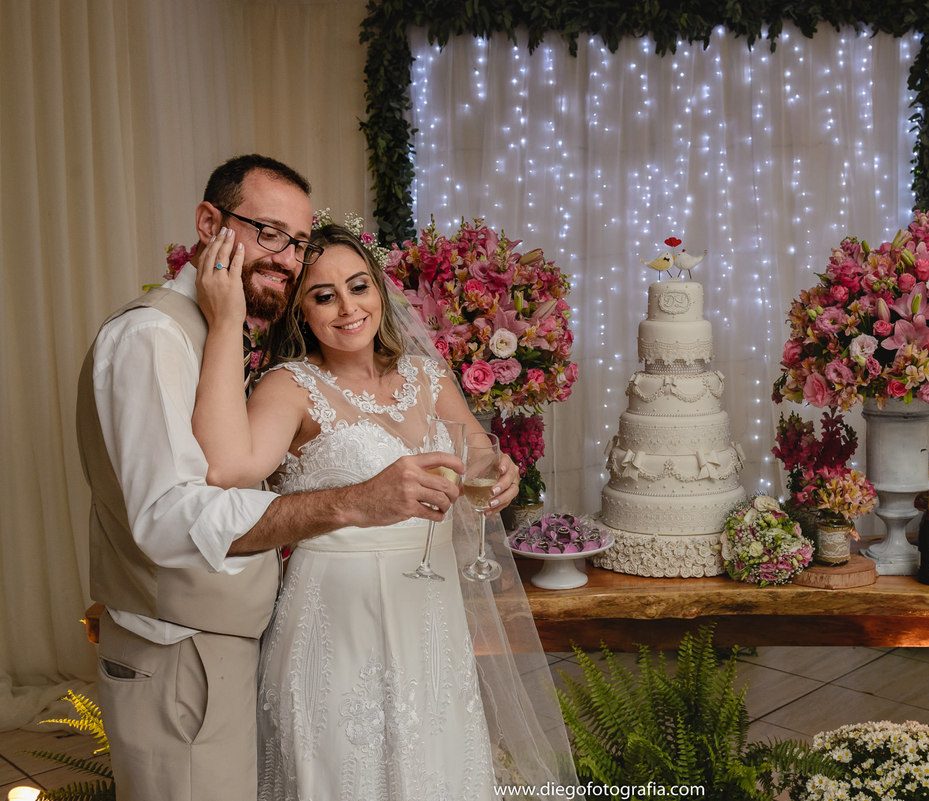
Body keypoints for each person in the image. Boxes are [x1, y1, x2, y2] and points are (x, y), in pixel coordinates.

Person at [76, 155, 465, 801]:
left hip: (221, 646)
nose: (287, 257)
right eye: (268, 232)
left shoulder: (210, 332)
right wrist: (352, 503)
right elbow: (171, 518)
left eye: (299, 241)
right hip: (179, 651)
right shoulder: (153, 337)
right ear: (209, 222)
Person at [191, 220, 577, 799]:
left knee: (436, 758)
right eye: (324, 296)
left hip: (430, 601)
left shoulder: (425, 374)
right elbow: (228, 471)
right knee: (347, 767)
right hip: (340, 612)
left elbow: (474, 449)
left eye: (358, 287)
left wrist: (500, 473)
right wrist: (224, 322)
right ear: (301, 312)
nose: (348, 308)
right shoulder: (289, 387)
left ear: (380, 289)